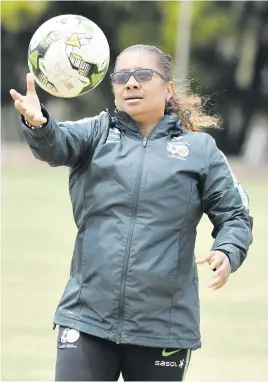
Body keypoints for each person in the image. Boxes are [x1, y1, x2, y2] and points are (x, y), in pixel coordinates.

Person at [10, 44, 253, 381]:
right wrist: (39, 124)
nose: (131, 83)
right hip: (87, 317)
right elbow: (57, 143)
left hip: (163, 328)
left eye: (143, 75)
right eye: (122, 76)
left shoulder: (200, 150)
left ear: (168, 88)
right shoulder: (96, 134)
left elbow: (235, 215)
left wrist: (228, 250)